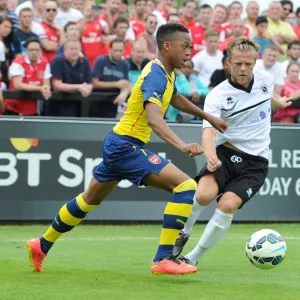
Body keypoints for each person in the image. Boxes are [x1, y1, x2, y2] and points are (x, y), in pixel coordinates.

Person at [25, 23, 227, 276]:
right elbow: (154, 118)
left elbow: (174, 98)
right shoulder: (155, 74)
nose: (190, 50)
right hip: (126, 146)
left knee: (89, 199)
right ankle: (163, 259)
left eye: (190, 45)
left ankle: (41, 244)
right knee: (186, 186)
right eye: (185, 46)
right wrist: (181, 145)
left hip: (118, 143)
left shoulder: (166, 72)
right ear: (167, 46)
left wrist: (207, 116)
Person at [171, 37, 292, 266]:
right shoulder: (217, 95)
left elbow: (266, 98)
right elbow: (208, 132)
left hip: (256, 162)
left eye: (248, 64)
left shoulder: (266, 79)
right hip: (225, 153)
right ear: (229, 62)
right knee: (203, 195)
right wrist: (211, 156)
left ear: (255, 62)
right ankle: (183, 232)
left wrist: (278, 103)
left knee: (226, 205)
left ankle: (192, 258)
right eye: (238, 64)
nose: (243, 68)